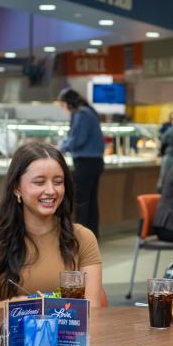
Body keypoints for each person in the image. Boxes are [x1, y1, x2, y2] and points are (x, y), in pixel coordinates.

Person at [0, 142, 103, 308]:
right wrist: (16, 305)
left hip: (67, 334)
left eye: (58, 182)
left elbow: (92, 308)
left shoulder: (83, 238)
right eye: (39, 182)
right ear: (16, 188)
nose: (51, 190)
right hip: (9, 333)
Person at [58, 88, 105, 238]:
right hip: (95, 162)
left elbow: (77, 139)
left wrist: (60, 149)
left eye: (62, 104)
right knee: (90, 200)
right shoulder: (88, 112)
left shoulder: (81, 114)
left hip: (86, 162)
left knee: (82, 201)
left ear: (68, 103)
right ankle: (91, 234)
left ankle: (81, 237)